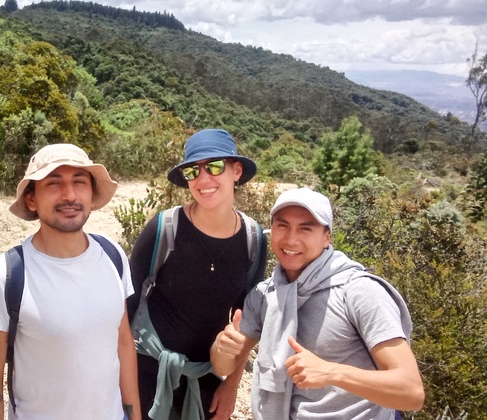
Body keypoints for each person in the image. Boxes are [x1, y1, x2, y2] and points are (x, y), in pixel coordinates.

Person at [212, 187, 425, 419]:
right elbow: (223, 367)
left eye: (306, 228)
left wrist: (332, 372)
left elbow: (411, 392)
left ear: (326, 237)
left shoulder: (358, 292)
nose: (291, 239)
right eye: (282, 225)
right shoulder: (265, 295)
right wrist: (221, 349)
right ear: (271, 230)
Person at [0, 143, 141, 420]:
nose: (70, 195)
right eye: (53, 183)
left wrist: (134, 415)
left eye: (79, 181)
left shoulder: (113, 255)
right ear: (31, 199)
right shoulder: (6, 274)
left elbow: (123, 341)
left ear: (91, 192)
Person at [127, 128, 267, 420]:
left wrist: (231, 386)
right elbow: (126, 304)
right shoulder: (165, 228)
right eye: (193, 171)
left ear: (236, 171)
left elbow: (246, 323)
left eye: (214, 167)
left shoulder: (253, 239)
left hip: (207, 376)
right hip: (148, 371)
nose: (203, 179)